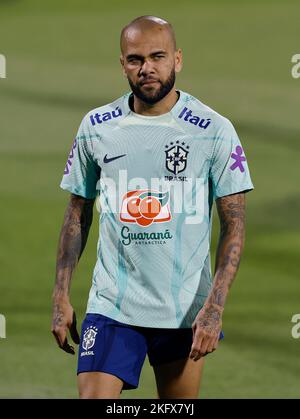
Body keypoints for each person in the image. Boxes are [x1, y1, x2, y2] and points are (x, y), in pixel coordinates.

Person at [51, 15, 254, 399]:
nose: (146, 68)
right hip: (112, 306)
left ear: (177, 59)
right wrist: (60, 295)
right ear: (122, 64)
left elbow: (235, 225)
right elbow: (77, 211)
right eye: (135, 59)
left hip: (183, 311)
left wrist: (214, 307)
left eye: (157, 57)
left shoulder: (213, 130)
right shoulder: (96, 126)